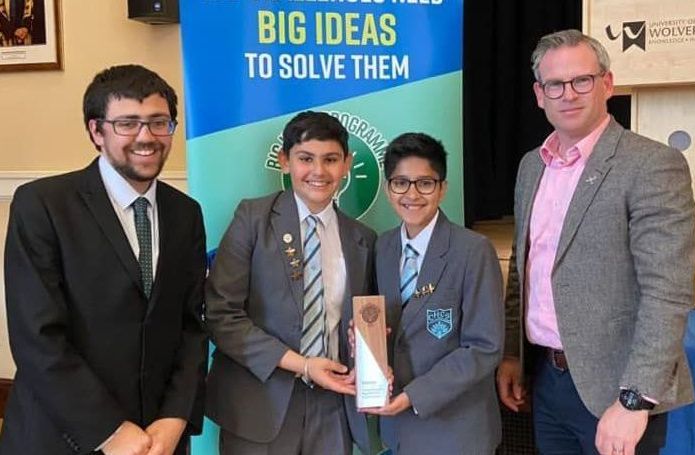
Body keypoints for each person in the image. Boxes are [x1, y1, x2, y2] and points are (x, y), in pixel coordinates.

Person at [496, 29, 695, 455]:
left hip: (617, 390)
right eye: (555, 84)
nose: (568, 94)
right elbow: (522, 269)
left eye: (581, 80)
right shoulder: (531, 166)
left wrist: (635, 399)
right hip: (546, 381)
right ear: (539, 94)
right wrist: (513, 354)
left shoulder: (651, 164)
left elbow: (668, 292)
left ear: (607, 83)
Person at [1, 64, 208, 455]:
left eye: (159, 122)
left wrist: (175, 418)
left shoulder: (186, 213)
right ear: (96, 131)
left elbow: (192, 326)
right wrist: (110, 432)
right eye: (127, 123)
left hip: (158, 440)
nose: (146, 137)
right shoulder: (42, 205)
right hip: (64, 437)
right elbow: (37, 337)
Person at [204, 111, 376, 454]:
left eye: (330, 159)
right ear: (285, 161)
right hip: (258, 404)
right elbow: (221, 315)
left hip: (333, 407)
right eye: (305, 159)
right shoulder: (252, 219)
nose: (318, 171)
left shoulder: (364, 239)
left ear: (346, 165)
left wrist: (368, 347)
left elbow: (366, 322)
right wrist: (303, 365)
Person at [364, 132, 504, 454]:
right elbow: (379, 325)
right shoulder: (382, 247)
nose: (412, 194)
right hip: (398, 430)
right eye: (401, 183)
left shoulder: (473, 250)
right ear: (387, 189)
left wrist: (414, 396)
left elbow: (484, 347)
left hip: (455, 430)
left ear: (442, 188)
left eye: (425, 183)